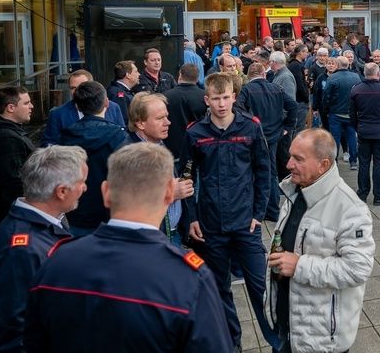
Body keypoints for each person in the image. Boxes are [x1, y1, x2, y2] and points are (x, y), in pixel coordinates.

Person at [25, 142, 232, 351]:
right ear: (170, 194)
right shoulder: (190, 279)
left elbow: (33, 342)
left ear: (105, 192)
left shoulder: (56, 262)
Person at [181, 73, 273, 350]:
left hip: (247, 224)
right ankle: (232, 344)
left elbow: (263, 171)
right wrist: (192, 217)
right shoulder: (195, 132)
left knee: (262, 288)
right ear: (207, 100)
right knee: (219, 290)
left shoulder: (251, 127)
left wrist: (259, 212)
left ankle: (277, 340)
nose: (221, 104)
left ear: (234, 96)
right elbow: (186, 177)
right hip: (211, 226)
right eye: (216, 99)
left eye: (226, 97)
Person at [265, 129, 375, 353]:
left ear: (323, 165)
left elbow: (358, 269)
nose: (288, 164)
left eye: (298, 159)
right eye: (290, 156)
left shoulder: (350, 209)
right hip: (288, 327)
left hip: (321, 339)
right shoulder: (294, 190)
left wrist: (299, 266)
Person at [0, 145, 87, 352]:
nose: (85, 188)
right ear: (61, 191)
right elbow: (13, 333)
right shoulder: (22, 251)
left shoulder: (45, 226)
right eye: (82, 182)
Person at [60, 80, 131, 235]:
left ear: (77, 106)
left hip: (77, 212)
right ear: (106, 103)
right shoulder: (119, 137)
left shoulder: (66, 136)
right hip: (110, 215)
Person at [127, 92, 194, 247]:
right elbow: (129, 203)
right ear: (140, 123)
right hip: (150, 240)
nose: (168, 122)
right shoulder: (129, 157)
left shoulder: (157, 142)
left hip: (170, 233)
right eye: (160, 118)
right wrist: (170, 193)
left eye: (166, 116)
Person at [238, 62, 297, 214]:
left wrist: (247, 126)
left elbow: (238, 108)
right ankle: (272, 208)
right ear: (264, 74)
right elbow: (293, 106)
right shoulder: (276, 88)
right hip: (274, 136)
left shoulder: (247, 90)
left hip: (255, 135)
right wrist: (287, 127)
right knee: (271, 171)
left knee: (253, 170)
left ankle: (258, 207)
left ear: (249, 75)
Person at [0, 87, 36, 230]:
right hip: (16, 217)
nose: (31, 106)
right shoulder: (5, 138)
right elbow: (13, 183)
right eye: (26, 103)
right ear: (11, 107)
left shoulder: (8, 132)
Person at [350, 63, 380, 205]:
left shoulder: (356, 90)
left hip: (364, 132)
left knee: (364, 164)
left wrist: (357, 128)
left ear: (364, 74)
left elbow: (352, 114)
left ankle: (362, 194)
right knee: (379, 165)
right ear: (378, 74)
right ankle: (379, 196)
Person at [42, 69, 126, 146]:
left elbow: (122, 135)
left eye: (82, 87)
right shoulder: (58, 114)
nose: (77, 91)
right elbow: (48, 144)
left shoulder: (113, 107)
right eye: (72, 88)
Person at [323, 56, 362, 170]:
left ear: (338, 65)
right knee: (352, 137)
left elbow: (326, 97)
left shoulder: (332, 78)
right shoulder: (356, 77)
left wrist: (326, 110)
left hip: (336, 113)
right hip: (350, 113)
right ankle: (353, 161)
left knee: (335, 137)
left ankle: (334, 162)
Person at [162, 63, 207, 159]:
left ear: (180, 74)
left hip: (172, 150)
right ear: (197, 77)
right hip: (197, 149)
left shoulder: (165, 97)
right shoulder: (205, 97)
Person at [287, 44, 310, 133]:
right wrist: (306, 97)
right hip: (299, 100)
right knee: (299, 127)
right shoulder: (296, 65)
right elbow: (299, 83)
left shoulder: (294, 64)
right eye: (306, 52)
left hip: (298, 99)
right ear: (300, 53)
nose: (307, 54)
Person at [312, 56, 337, 131]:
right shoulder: (321, 77)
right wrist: (315, 108)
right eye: (329, 63)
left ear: (337, 66)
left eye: (333, 64)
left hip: (336, 108)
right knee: (326, 128)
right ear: (325, 65)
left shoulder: (339, 77)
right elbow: (316, 92)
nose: (331, 65)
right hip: (323, 108)